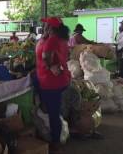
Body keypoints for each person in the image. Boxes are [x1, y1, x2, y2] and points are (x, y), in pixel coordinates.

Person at [36, 17, 71, 153]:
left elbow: (46, 57)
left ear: (51, 27)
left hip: (50, 82)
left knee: (53, 113)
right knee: (53, 110)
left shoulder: (52, 39)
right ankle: (55, 135)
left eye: (46, 24)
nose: (44, 26)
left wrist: (52, 68)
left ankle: (55, 142)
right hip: (56, 80)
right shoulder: (61, 39)